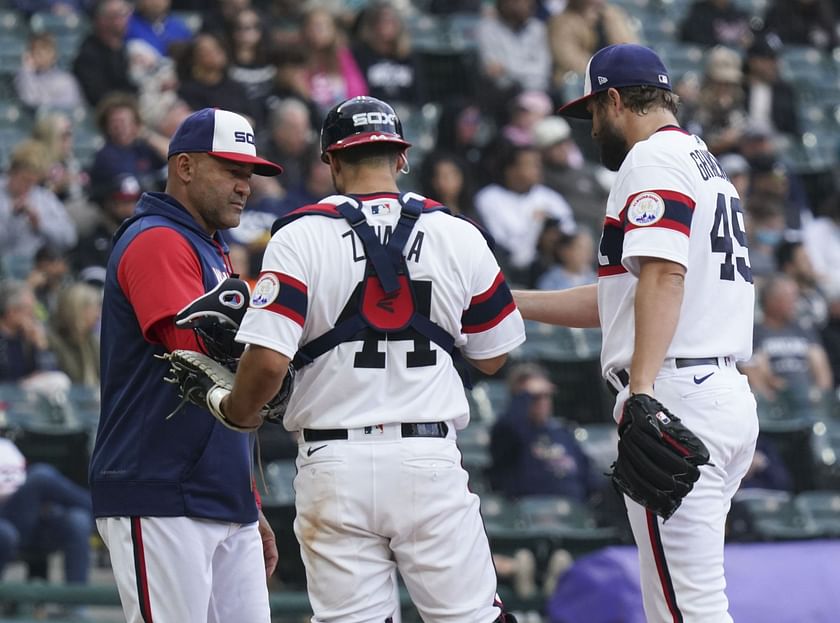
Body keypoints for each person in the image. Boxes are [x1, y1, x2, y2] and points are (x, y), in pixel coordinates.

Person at [195, 96, 526, 622]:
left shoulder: (297, 234)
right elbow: (493, 355)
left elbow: (267, 364)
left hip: (335, 463)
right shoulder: (458, 233)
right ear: (400, 158)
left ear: (331, 161)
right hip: (427, 457)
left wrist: (237, 411)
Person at [514, 44, 758, 623]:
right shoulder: (702, 160)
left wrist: (642, 390)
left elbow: (664, 276)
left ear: (616, 100)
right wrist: (509, 301)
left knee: (684, 611)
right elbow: (624, 300)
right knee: (688, 603)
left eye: (594, 111)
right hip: (717, 391)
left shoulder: (649, 160)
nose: (592, 127)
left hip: (676, 392)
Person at [89, 108, 283, 623]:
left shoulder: (210, 247)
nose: (245, 186)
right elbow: (194, 357)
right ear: (186, 166)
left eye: (249, 174)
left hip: (218, 492)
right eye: (231, 170)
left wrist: (248, 501)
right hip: (157, 485)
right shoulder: (157, 238)